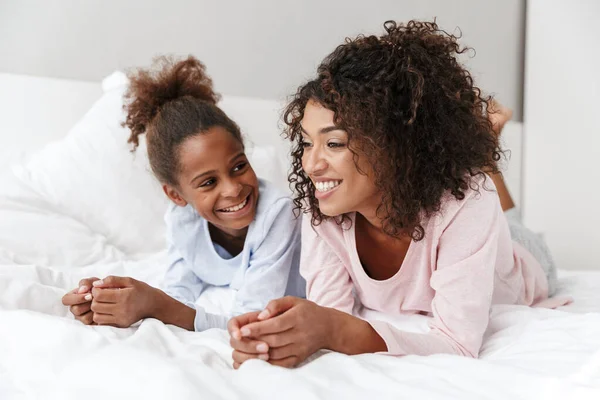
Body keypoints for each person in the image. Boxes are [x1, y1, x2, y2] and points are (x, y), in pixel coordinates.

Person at [228, 20, 566, 368]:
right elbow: (329, 315)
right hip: (469, 219)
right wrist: (276, 339)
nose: (311, 165)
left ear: (393, 147)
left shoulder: (468, 202)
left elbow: (457, 345)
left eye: (333, 143)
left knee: (506, 216)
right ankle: (482, 150)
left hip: (522, 261)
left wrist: (335, 330)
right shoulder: (325, 210)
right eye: (306, 142)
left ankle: (484, 151)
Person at [61, 56, 304, 332]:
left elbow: (251, 322)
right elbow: (178, 292)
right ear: (176, 196)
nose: (233, 188)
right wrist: (107, 300)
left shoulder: (278, 213)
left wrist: (154, 305)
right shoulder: (182, 219)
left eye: (238, 166)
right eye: (209, 182)